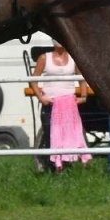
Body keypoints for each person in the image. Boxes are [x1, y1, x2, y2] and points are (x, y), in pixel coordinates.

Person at [25, 42, 91, 171]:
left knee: (70, 136)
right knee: (51, 135)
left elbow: (82, 78)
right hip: (51, 103)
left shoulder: (73, 58)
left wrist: (83, 96)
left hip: (69, 104)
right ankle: (53, 168)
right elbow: (33, 80)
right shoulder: (44, 58)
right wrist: (40, 97)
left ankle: (68, 167)